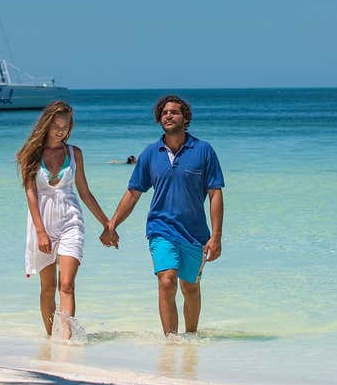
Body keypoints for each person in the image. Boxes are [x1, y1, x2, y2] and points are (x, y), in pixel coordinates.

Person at [102, 95, 224, 336]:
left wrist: (216, 236)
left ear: (185, 118)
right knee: (167, 281)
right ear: (159, 119)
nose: (168, 115)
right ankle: (171, 341)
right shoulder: (150, 153)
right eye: (164, 112)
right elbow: (133, 193)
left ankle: (190, 339)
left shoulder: (204, 151)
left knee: (190, 287)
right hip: (161, 229)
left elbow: (215, 193)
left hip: (195, 234)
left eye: (174, 112)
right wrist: (112, 224)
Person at [17, 101, 110, 338]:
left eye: (65, 126)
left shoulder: (74, 154)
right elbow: (30, 193)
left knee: (66, 285)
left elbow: (85, 193)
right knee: (48, 288)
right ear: (46, 124)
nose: (61, 131)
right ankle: (51, 338)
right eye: (56, 125)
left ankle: (66, 339)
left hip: (71, 221)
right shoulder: (30, 154)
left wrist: (107, 223)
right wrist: (40, 232)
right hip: (42, 223)